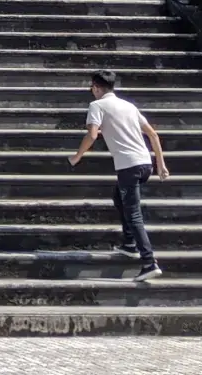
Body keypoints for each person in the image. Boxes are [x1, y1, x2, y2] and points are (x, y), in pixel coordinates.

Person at [69, 69, 168, 282]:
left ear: (96, 88)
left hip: (129, 167)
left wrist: (77, 156)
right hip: (145, 164)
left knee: (133, 214)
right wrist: (160, 165)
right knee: (118, 197)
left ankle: (149, 262)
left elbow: (92, 135)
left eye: (91, 88)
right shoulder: (128, 106)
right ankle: (129, 243)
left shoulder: (97, 106)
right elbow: (153, 134)